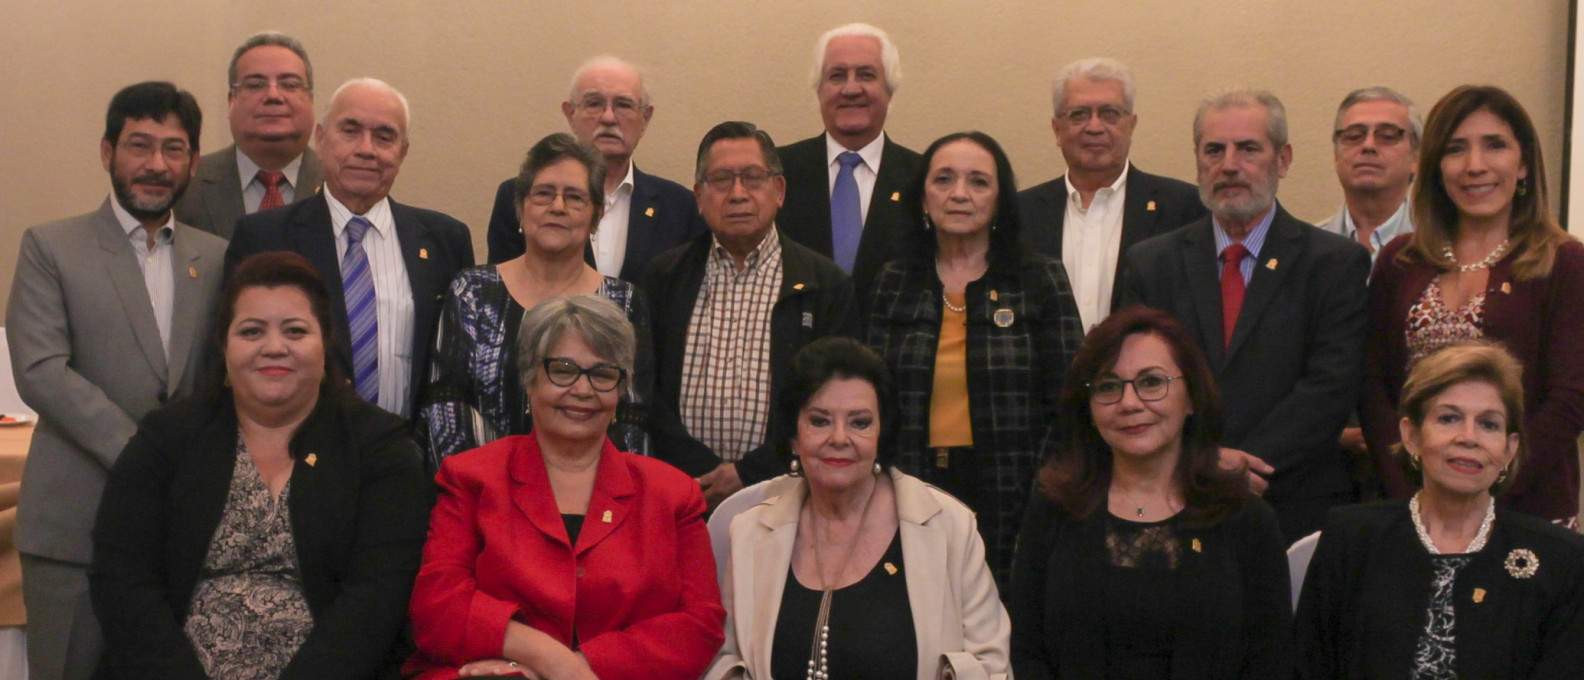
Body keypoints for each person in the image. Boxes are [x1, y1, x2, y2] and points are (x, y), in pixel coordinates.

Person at [90, 251, 432, 679]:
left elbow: (379, 595)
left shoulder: (379, 446)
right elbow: (122, 580)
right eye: (251, 331)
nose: (274, 347)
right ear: (224, 345)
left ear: (325, 342)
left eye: (295, 331)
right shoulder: (166, 439)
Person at [5, 81, 227, 680]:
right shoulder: (51, 246)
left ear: (193, 162)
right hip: (73, 526)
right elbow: (40, 370)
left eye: (173, 149)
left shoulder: (217, 257)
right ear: (107, 152)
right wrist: (145, 454)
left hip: (181, 528)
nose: (156, 164)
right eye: (139, 145)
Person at [406, 295, 724, 680]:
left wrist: (576, 670)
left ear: (621, 390)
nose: (583, 389)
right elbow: (437, 606)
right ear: (530, 378)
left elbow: (700, 625)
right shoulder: (470, 477)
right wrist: (543, 658)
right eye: (564, 370)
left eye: (602, 374)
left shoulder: (674, 494)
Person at [1121, 89, 1371, 543]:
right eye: (1214, 150)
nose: (1229, 165)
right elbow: (1138, 381)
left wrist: (1241, 463)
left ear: (1283, 160)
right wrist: (1201, 462)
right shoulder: (1152, 264)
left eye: (1248, 149)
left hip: (1292, 501)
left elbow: (1331, 385)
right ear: (1198, 161)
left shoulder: (1334, 263)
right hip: (1175, 495)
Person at [1010, 306, 1292, 679]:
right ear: (1088, 408)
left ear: (1191, 397)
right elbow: (1026, 651)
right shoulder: (1054, 507)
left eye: (1151, 382)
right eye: (1108, 386)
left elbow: (1271, 662)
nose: (1129, 403)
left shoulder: (1247, 519)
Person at [706, 337, 1010, 680]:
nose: (839, 438)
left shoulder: (950, 525)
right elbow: (724, 658)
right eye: (820, 421)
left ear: (881, 433)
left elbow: (992, 665)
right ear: (793, 437)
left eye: (860, 423)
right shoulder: (748, 531)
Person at [867, 131, 1083, 589]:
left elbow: (1070, 398)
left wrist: (1044, 485)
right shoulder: (895, 280)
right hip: (911, 486)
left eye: (978, 181)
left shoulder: (1038, 278)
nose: (959, 193)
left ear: (1000, 199)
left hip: (1013, 489)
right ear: (923, 197)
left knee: (1004, 606)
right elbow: (872, 396)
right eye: (944, 179)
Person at [1360, 85, 1584, 527]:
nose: (1475, 165)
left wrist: (1483, 488)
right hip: (1413, 512)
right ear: (1435, 167)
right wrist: (1415, 491)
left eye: (1495, 145)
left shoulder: (1564, 262)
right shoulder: (1400, 260)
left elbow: (1571, 399)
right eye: (1455, 149)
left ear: (1523, 163)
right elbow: (1374, 388)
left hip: (1527, 513)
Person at [1296, 342, 1584, 679]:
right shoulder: (1351, 536)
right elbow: (1309, 666)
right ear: (1412, 436)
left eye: (1489, 424)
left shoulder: (1562, 558)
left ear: (1509, 449)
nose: (1469, 437)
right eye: (1449, 418)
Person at [226, 78, 474, 419]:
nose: (366, 149)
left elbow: (457, 366)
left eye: (384, 137)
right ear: (321, 140)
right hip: (297, 442)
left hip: (410, 446)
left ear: (403, 152)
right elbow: (235, 356)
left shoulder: (446, 240)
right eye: (350, 131)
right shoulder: (264, 236)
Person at [644, 121, 860, 505]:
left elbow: (833, 399)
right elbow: (647, 387)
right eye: (721, 180)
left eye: (753, 178)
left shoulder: (825, 285)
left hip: (787, 494)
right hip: (682, 490)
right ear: (699, 196)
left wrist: (749, 473)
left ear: (779, 191)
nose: (738, 194)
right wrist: (699, 469)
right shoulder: (665, 276)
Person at [420, 132, 655, 468]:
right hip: (483, 489)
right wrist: (500, 484)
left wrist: (578, 485)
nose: (557, 207)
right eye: (544, 194)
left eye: (574, 197)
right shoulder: (471, 291)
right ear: (521, 208)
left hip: (592, 492)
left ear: (596, 216)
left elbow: (632, 418)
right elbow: (446, 404)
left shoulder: (624, 303)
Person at [1018, 57, 1206, 330]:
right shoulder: (1019, 213)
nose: (1095, 127)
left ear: (1131, 125)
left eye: (1110, 113)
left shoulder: (1185, 208)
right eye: (1079, 114)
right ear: (1057, 129)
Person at [484, 56, 704, 278]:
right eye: (594, 104)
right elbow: (503, 287)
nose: (608, 118)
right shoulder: (520, 196)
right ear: (571, 114)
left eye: (623, 105)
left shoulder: (681, 207)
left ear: (645, 119)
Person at [776, 23, 923, 304]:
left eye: (866, 75)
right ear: (819, 90)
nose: (851, 89)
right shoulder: (775, 173)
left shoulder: (923, 178)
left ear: (890, 90)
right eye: (837, 75)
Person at [176, 32, 323, 238]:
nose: (273, 95)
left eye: (289, 85)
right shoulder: (185, 182)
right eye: (255, 85)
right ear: (231, 101)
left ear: (310, 100)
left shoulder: (339, 183)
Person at [1316, 86, 1422, 263]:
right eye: (1354, 136)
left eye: (1387, 136)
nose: (1368, 145)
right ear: (1336, 157)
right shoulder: (1306, 251)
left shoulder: (1445, 245)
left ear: (1416, 158)